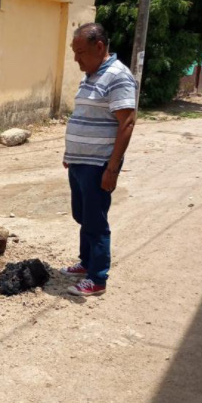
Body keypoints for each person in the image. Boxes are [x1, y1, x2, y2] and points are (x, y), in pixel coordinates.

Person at [60, 23, 138, 297]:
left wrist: (112, 169)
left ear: (100, 47)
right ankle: (86, 262)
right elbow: (86, 117)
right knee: (82, 216)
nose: (76, 59)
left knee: (95, 221)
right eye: (74, 52)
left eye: (80, 53)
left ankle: (97, 278)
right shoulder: (90, 76)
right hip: (80, 163)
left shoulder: (118, 76)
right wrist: (71, 154)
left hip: (98, 166)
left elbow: (127, 122)